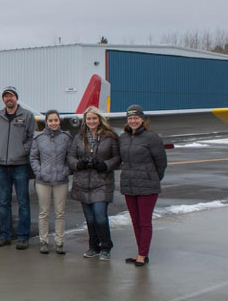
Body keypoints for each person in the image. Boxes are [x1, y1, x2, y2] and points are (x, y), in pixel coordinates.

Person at [68, 106, 121, 261]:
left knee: (100, 217)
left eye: (94, 118)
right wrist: (78, 164)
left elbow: (117, 158)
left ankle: (106, 246)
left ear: (99, 119)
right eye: (88, 119)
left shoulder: (110, 137)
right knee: (90, 219)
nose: (91, 121)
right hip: (83, 182)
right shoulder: (79, 137)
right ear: (85, 121)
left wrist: (105, 165)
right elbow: (71, 157)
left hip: (101, 182)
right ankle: (93, 246)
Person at [0, 86, 37, 249]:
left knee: (23, 202)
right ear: (3, 99)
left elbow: (32, 137)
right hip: (1, 166)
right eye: (6, 96)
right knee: (3, 202)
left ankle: (23, 237)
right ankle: (4, 235)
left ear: (16, 98)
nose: (9, 99)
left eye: (12, 96)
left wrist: (22, 151)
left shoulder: (27, 116)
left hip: (20, 165)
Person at [119, 104, 167, 267]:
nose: (133, 120)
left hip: (147, 186)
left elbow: (161, 163)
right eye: (130, 118)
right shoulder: (123, 138)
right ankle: (140, 251)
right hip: (130, 185)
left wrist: (152, 178)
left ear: (143, 119)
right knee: (135, 220)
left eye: (136, 117)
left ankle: (143, 254)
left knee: (145, 222)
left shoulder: (152, 138)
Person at [30, 110, 73, 254]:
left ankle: (60, 242)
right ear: (46, 122)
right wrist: (39, 171)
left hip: (61, 180)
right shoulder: (39, 138)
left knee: (60, 213)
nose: (53, 123)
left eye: (56, 120)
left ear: (59, 121)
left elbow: (70, 157)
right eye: (51, 121)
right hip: (43, 181)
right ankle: (44, 241)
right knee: (44, 212)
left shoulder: (66, 137)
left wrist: (66, 171)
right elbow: (34, 157)